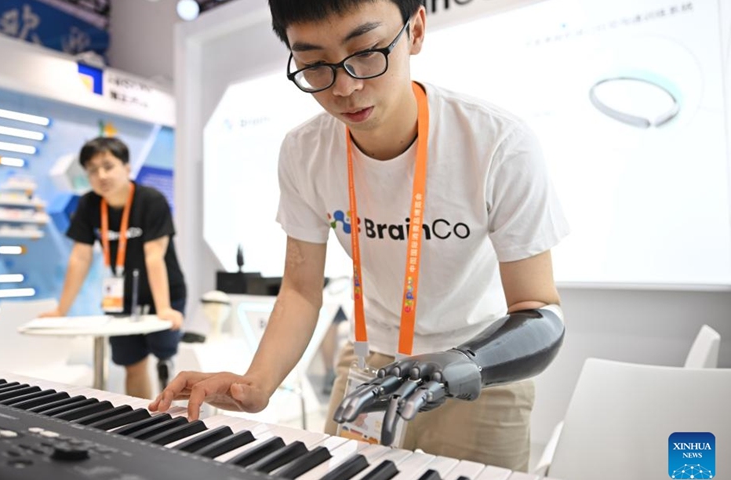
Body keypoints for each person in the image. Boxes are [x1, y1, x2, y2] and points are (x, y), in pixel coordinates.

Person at [150, 0, 569, 471]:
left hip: (481, 371)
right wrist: (258, 382)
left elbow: (538, 311)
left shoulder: (497, 143)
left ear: (415, 31)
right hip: (372, 362)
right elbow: (301, 290)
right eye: (313, 66)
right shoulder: (304, 150)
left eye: (368, 51)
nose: (345, 87)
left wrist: (467, 363)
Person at [42, 136, 187, 399]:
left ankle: (172, 422)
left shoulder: (151, 200)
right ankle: (143, 423)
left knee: (164, 360)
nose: (101, 175)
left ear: (127, 167)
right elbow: (80, 257)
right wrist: (61, 309)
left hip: (163, 292)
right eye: (92, 170)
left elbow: (154, 256)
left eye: (108, 166)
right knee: (132, 364)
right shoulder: (89, 204)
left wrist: (164, 307)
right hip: (121, 297)